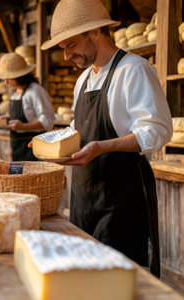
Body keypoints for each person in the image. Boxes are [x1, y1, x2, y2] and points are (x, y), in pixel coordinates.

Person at [39, 0, 172, 277]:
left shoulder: (133, 70)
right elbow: (78, 129)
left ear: (96, 32)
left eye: (71, 45)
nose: (66, 56)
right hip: (85, 199)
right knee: (85, 279)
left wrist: (102, 147)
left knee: (118, 282)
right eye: (63, 48)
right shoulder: (83, 80)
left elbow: (157, 130)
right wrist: (55, 152)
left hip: (122, 200)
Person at [0, 52, 55, 161]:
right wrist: (7, 119)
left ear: (20, 76)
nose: (5, 82)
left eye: (9, 78)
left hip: (34, 150)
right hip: (17, 148)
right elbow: (25, 115)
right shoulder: (16, 93)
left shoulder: (35, 91)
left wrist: (23, 127)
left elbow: (48, 121)